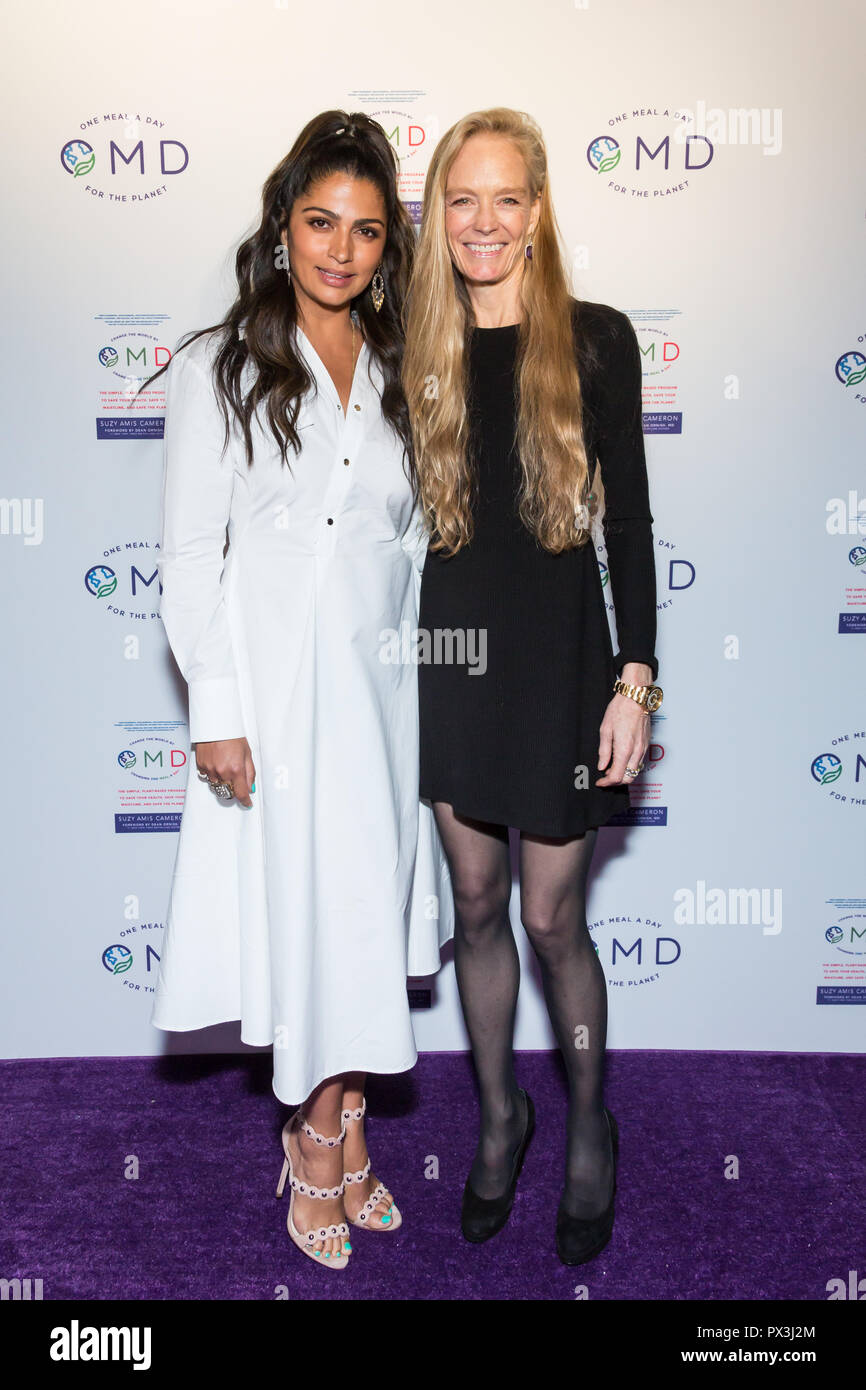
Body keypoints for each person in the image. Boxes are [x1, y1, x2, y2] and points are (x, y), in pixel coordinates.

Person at [147, 110, 454, 1271]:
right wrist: (215, 706)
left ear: (386, 249)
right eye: (320, 222)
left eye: (366, 230)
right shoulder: (215, 364)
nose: (341, 248)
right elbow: (187, 557)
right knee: (307, 920)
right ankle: (317, 1133)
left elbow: (416, 561)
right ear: (282, 228)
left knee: (362, 915)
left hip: (381, 704)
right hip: (271, 702)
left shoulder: (398, 381)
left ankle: (344, 1118)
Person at [402, 107, 663, 1265]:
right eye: (462, 197)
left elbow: (636, 527)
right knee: (472, 910)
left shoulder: (597, 340)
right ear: (436, 213)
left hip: (562, 660)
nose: (484, 221)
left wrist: (633, 682)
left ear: (539, 208)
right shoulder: (415, 344)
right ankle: (500, 1118)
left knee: (553, 916)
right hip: (453, 655)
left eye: (506, 197)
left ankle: (588, 1122)